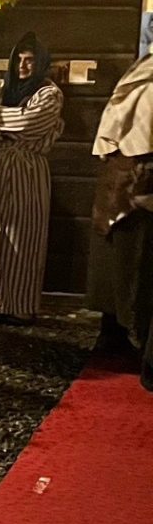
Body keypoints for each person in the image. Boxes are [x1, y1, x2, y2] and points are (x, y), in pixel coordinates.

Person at [0, 33, 64, 322]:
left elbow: (30, 124)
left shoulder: (49, 94)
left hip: (25, 170)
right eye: (18, 59)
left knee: (20, 235)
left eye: (29, 60)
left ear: (40, 63)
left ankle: (16, 305)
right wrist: (9, 119)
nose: (22, 66)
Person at [86, 55, 153, 389]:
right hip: (134, 185)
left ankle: (115, 332)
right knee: (132, 265)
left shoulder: (139, 79)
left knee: (123, 262)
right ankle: (128, 336)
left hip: (124, 182)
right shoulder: (147, 83)